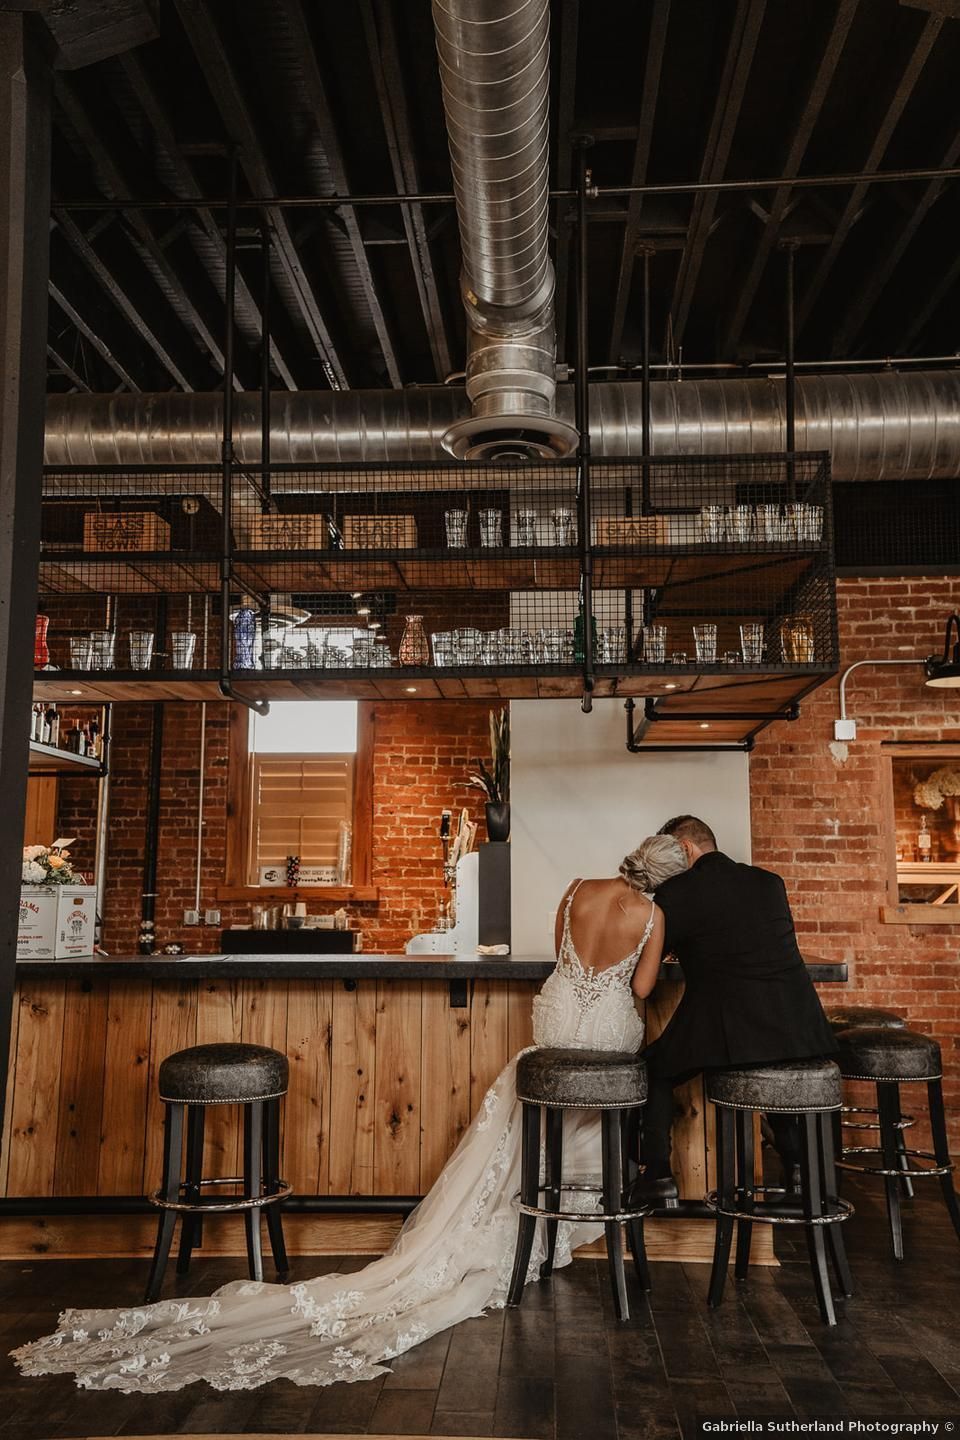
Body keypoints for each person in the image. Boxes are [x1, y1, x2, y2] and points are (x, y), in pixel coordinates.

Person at [11, 834, 687, 1395]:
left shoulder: (575, 890)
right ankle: (567, 1209)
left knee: (537, 1092)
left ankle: (519, 1208)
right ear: (664, 881)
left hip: (556, 1011)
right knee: (611, 1086)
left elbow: (566, 958)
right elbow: (644, 988)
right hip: (603, 1033)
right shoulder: (653, 917)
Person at [630, 814, 837, 1207]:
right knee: (776, 1070)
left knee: (651, 1069)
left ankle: (656, 1175)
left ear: (686, 848)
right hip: (799, 1029)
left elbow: (650, 956)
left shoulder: (677, 894)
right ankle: (797, 1167)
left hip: (729, 1031)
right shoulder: (769, 883)